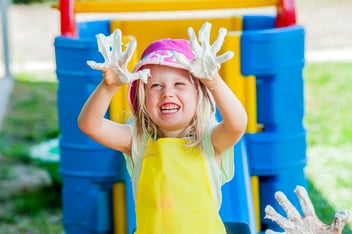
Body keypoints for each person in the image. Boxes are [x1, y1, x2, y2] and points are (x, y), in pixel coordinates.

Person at [78, 22, 248, 233]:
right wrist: (108, 87)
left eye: (179, 84)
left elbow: (237, 124)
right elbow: (89, 125)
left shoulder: (210, 139)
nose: (167, 93)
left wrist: (213, 81)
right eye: (156, 86)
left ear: (199, 95)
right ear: (142, 98)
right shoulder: (137, 141)